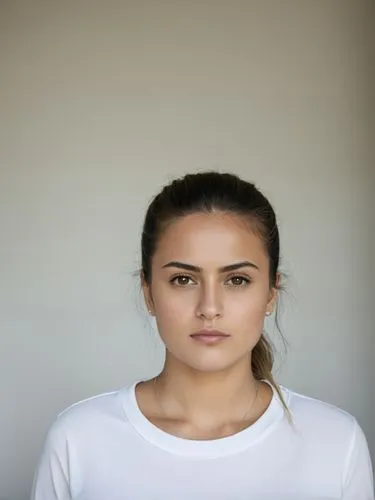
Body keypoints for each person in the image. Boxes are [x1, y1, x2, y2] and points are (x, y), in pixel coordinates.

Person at [31, 171, 374, 500]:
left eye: (237, 280)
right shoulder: (78, 440)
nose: (209, 308)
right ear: (148, 293)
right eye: (183, 279)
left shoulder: (336, 443)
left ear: (271, 293)